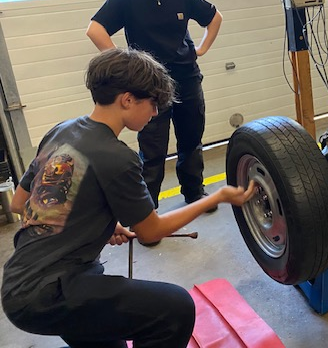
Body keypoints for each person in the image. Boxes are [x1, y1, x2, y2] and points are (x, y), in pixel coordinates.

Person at [1, 48, 256, 347]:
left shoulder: (62, 130)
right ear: (127, 99)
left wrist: (103, 226)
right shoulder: (118, 157)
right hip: (51, 292)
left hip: (18, 281)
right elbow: (151, 231)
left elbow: (23, 203)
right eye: (153, 103)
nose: (156, 113)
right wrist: (216, 197)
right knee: (176, 309)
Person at [87, 0, 222, 217]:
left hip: (187, 79)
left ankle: (194, 193)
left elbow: (214, 17)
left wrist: (200, 49)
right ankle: (147, 211)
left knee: (191, 140)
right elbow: (95, 30)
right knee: (153, 150)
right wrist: (125, 63)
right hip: (149, 86)